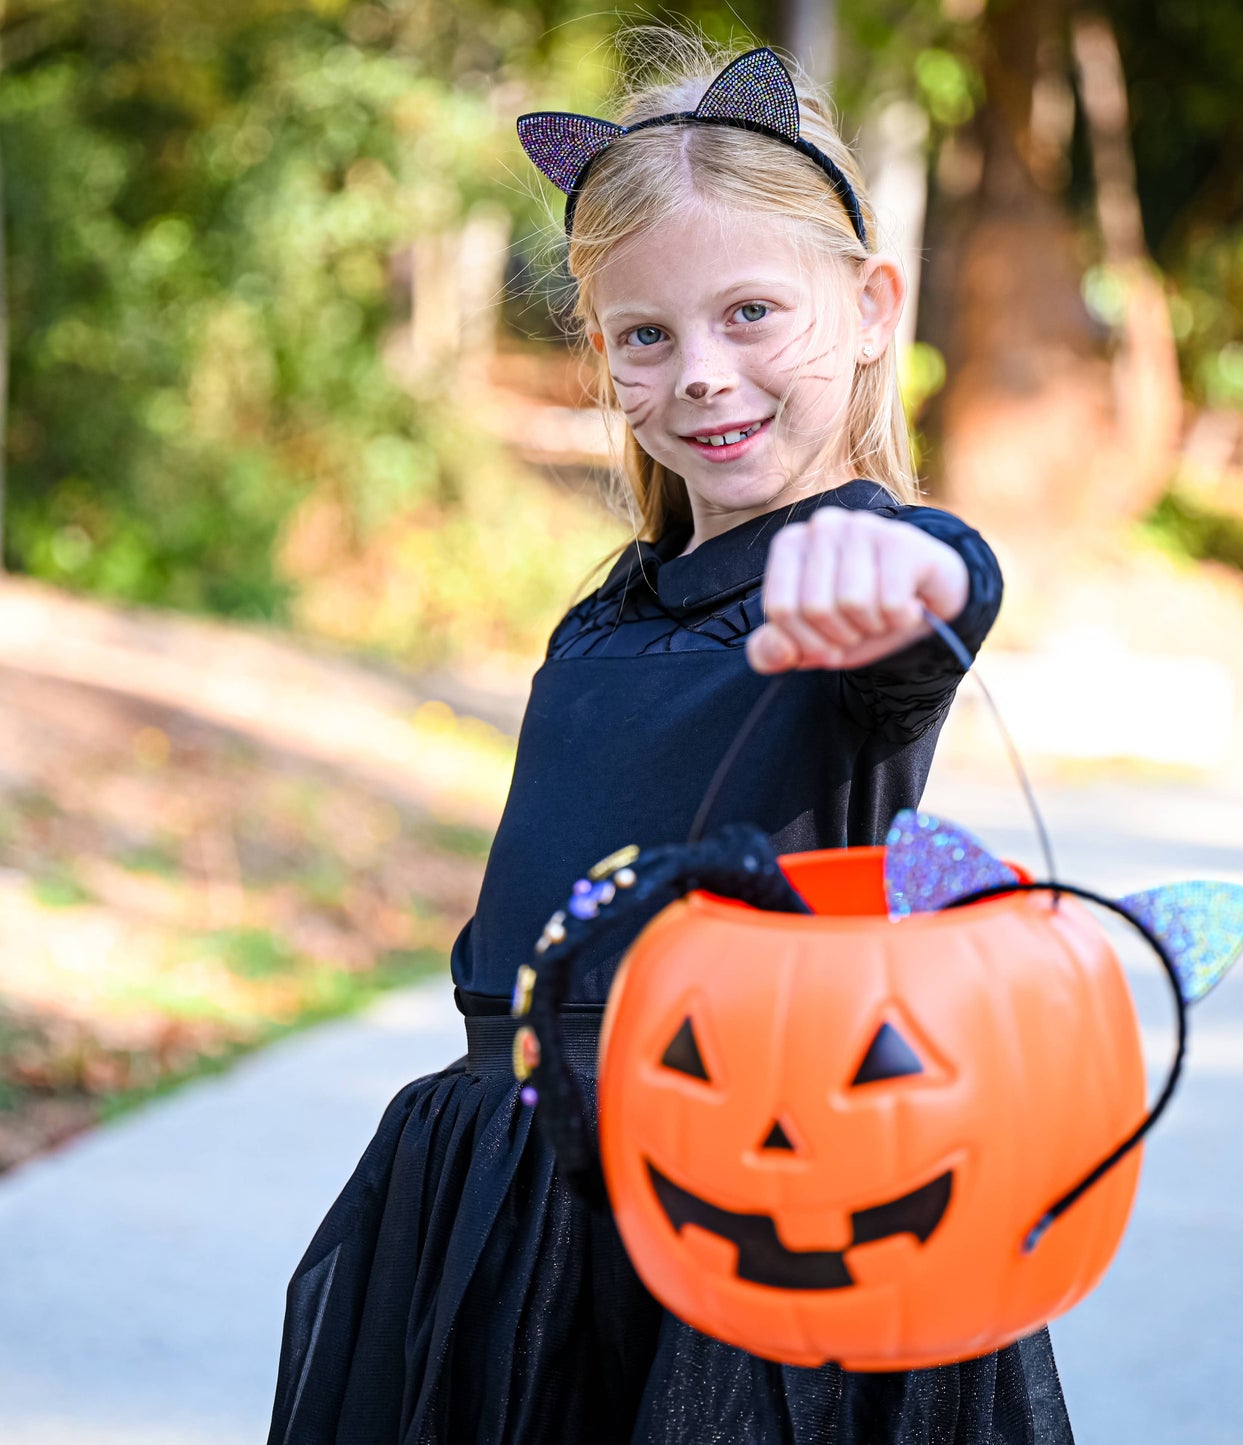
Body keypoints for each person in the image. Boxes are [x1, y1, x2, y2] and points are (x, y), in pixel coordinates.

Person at [267, 34, 1073, 1445]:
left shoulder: (859, 571)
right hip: (514, 1172)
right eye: (646, 333)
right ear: (603, 355)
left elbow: (944, 589)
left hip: (738, 1184)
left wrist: (911, 576)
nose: (703, 372)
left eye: (751, 312)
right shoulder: (612, 607)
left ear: (872, 307)